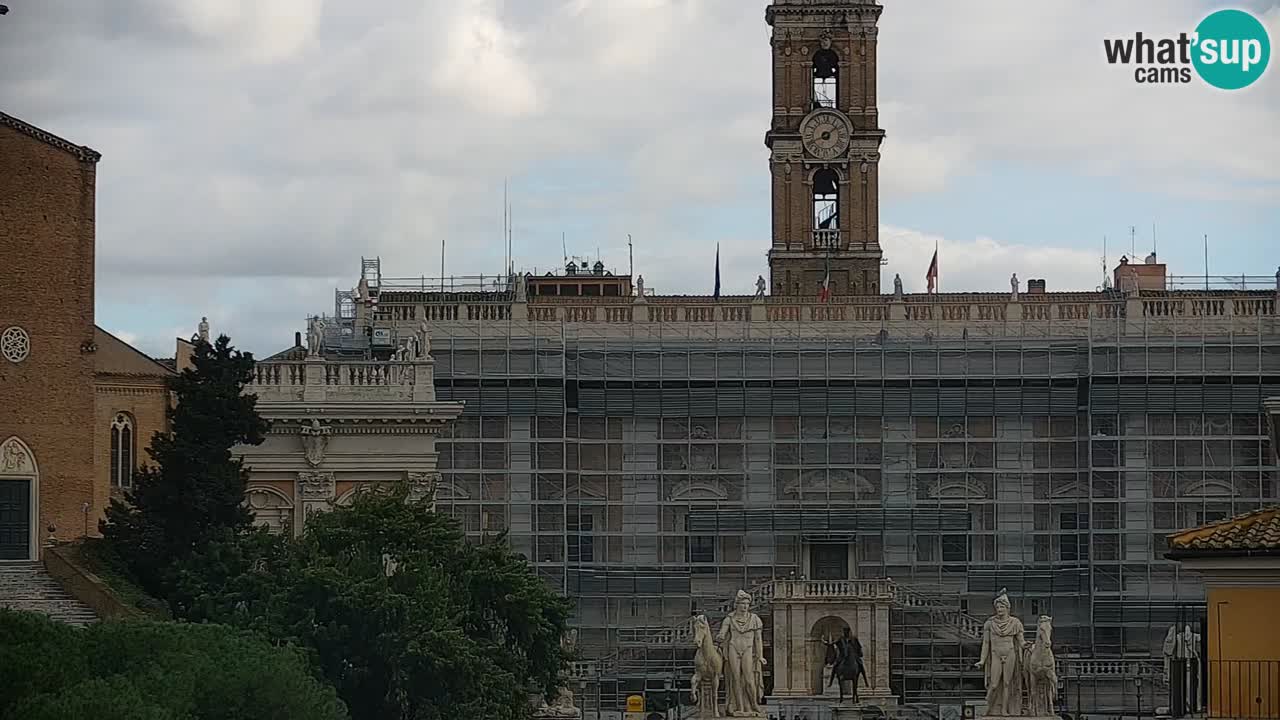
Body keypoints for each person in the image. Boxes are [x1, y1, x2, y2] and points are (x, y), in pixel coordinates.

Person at [975, 589, 1027, 716]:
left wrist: (1027, 645)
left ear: (1007, 608)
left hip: (1010, 654)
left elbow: (1021, 641)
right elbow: (986, 643)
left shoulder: (1015, 623)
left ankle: (1004, 709)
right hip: (995, 655)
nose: (999, 609)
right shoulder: (990, 623)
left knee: (1007, 683)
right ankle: (987, 706)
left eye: (1002, 607)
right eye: (997, 607)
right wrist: (982, 660)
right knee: (993, 684)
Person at [718, 590, 766, 717]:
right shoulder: (729, 618)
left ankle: (754, 704)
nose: (745, 606)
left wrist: (760, 655)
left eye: (747, 604)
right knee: (736, 678)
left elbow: (758, 639)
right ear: (737, 604)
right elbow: (722, 632)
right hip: (733, 648)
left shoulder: (754, 619)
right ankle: (739, 707)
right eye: (742, 604)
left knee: (749, 679)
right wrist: (720, 636)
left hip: (748, 650)